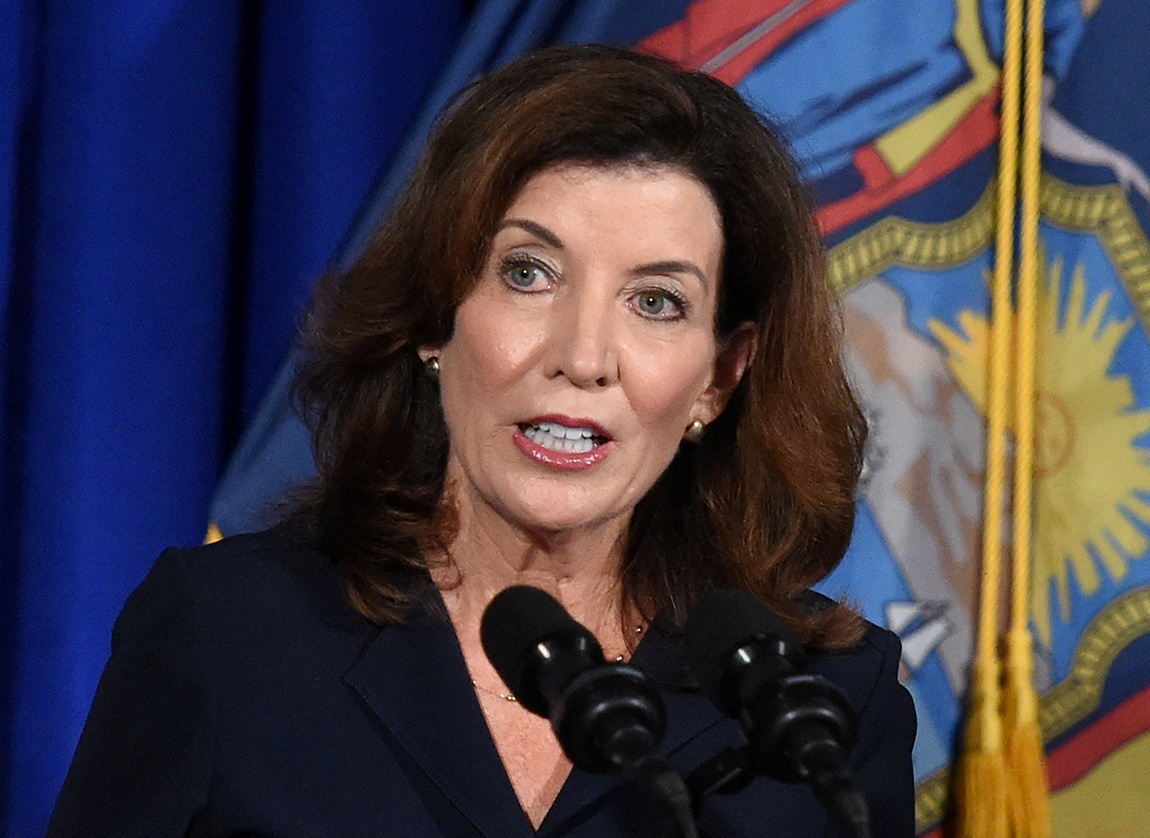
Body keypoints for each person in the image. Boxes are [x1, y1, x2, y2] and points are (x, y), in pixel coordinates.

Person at [47, 44, 915, 837]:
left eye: (656, 301)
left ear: (720, 378)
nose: (582, 358)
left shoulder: (816, 707)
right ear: (436, 316)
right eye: (529, 274)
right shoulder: (228, 633)